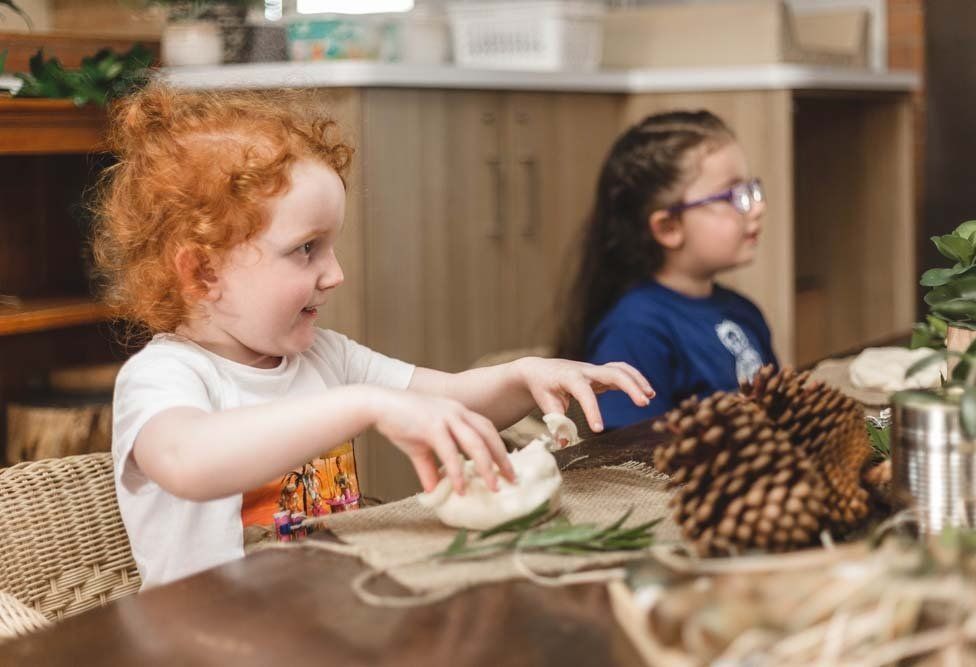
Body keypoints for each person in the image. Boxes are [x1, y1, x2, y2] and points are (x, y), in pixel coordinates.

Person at [93, 85, 654, 589]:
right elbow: (188, 462)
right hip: (209, 640)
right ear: (203, 274)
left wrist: (524, 376)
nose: (335, 273)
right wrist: (361, 405)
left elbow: (451, 401)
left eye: (332, 246)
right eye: (305, 249)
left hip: (335, 609)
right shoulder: (166, 377)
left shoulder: (324, 356)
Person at [555, 110, 778, 430]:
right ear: (669, 227)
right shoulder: (634, 331)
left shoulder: (744, 311)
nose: (758, 207)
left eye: (751, 189)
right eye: (732, 195)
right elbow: (631, 457)